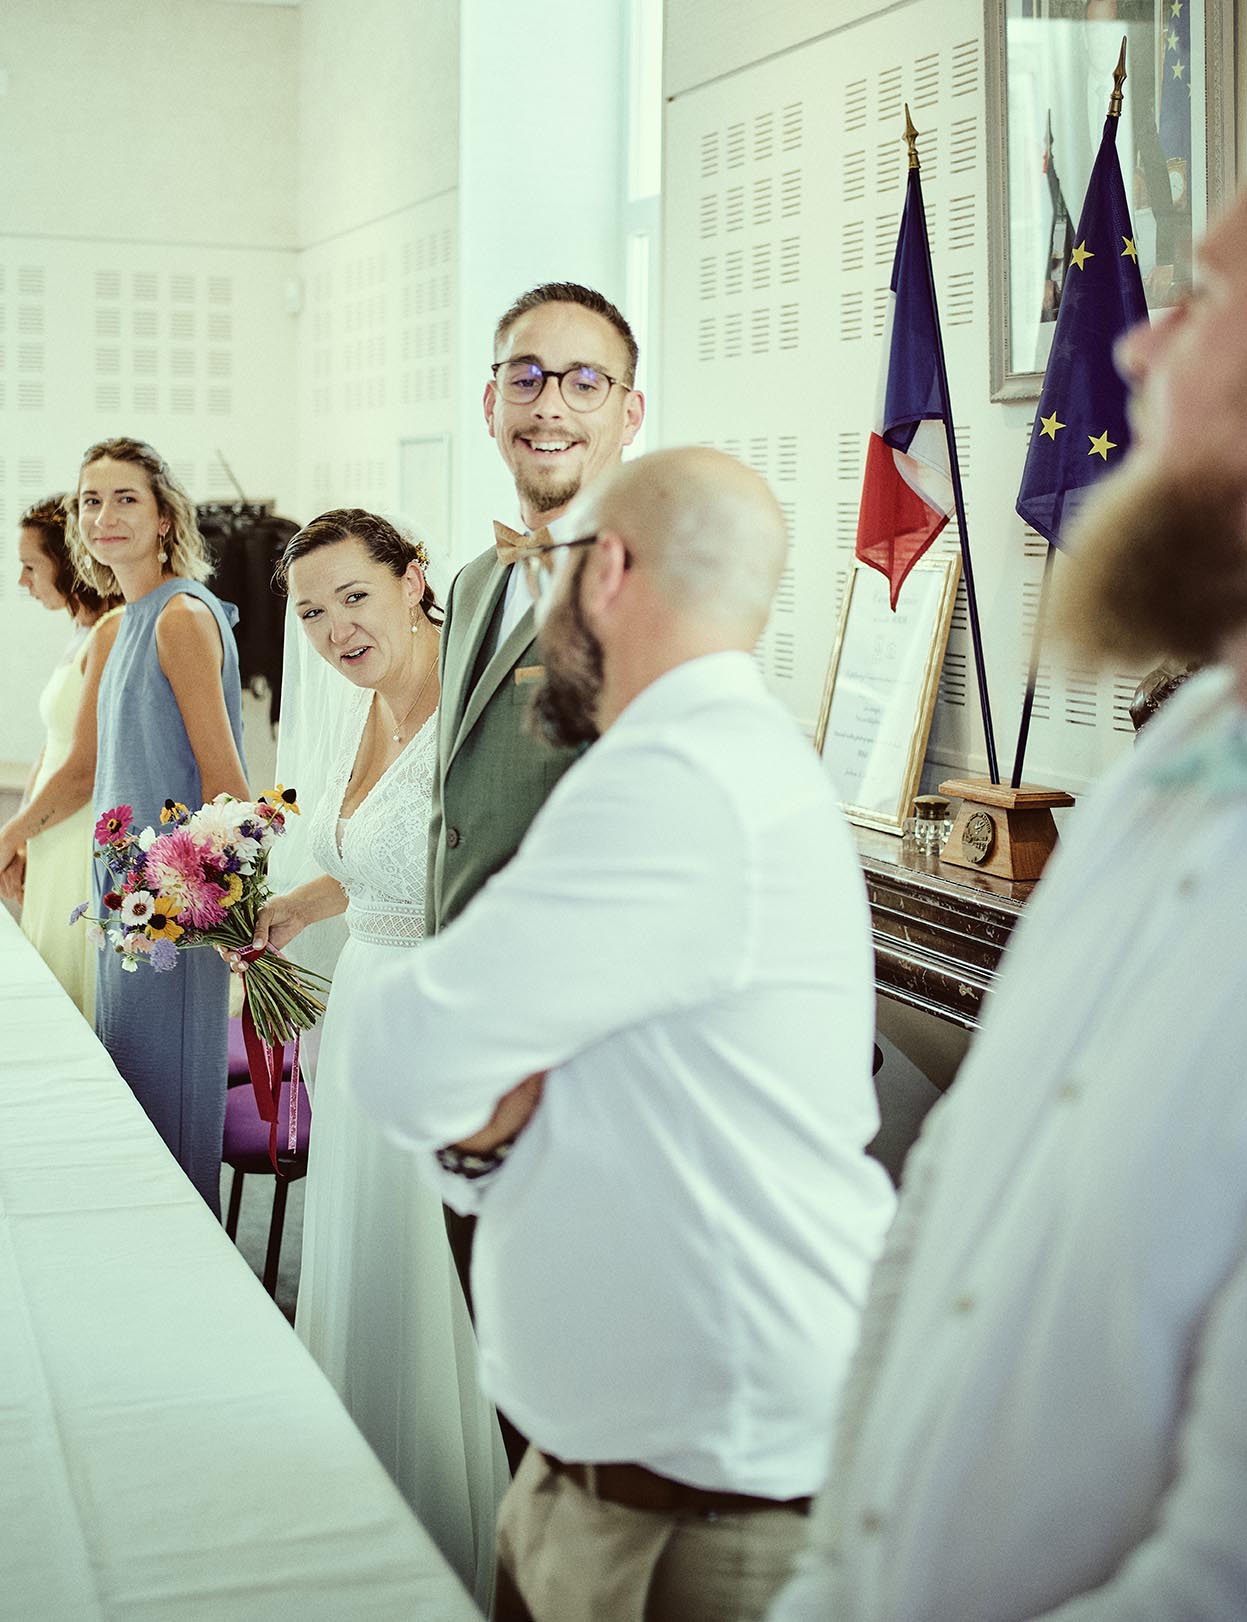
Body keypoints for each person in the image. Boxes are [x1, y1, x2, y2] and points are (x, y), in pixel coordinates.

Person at [774, 188, 1247, 1621]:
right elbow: (945, 1201)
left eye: (1215, 300)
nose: (1136, 347)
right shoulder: (1183, 735)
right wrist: (832, 1574)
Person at [350, 447, 897, 1622]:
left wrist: (482, 1088)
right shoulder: (720, 755)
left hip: (689, 1517)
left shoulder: (673, 777)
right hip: (622, 1471)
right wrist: (495, 1112)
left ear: (603, 572)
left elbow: (396, 1054)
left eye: (548, 570)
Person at [234, 509, 508, 1608]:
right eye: (311, 613)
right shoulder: (361, 710)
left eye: (354, 596)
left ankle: (452, 1519)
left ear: (413, 579)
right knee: (366, 1264)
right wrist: (301, 904)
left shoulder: (477, 708)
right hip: (360, 1016)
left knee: (434, 1279)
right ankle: (370, 1507)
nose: (336, 628)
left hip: (445, 1025)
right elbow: (376, 866)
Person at [429, 280, 645, 1467]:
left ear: (628, 412)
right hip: (472, 1051)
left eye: (581, 380)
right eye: (525, 375)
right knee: (503, 1377)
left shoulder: (647, 590)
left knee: (583, 1408)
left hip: (573, 1072)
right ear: (489, 402)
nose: (548, 403)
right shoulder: (470, 584)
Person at [67, 437, 248, 1214]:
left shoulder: (179, 617)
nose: (104, 515)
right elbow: (94, 769)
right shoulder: (125, 621)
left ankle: (193, 1270)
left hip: (173, 910)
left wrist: (223, 911)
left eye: (125, 499)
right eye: (91, 501)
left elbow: (225, 783)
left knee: (165, 1111)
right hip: (125, 905)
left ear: (165, 516)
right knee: (130, 1096)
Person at [0, 497, 123, 1017]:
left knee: (72, 988)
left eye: (31, 566)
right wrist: (24, 838)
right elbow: (53, 746)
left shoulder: (112, 630)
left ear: (66, 562)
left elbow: (84, 768)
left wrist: (10, 836)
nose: (22, 581)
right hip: (52, 831)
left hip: (78, 833)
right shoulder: (81, 631)